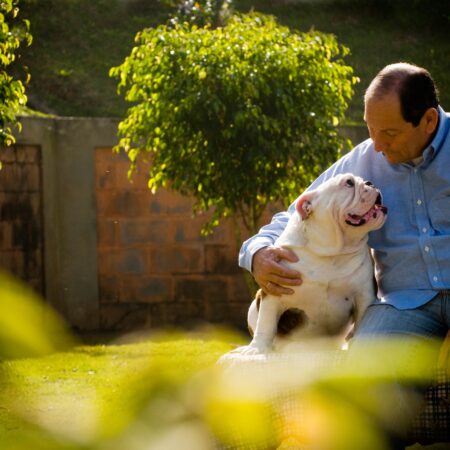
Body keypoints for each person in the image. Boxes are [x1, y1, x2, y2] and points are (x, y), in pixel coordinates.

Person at [238, 62, 450, 447]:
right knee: (365, 391)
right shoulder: (366, 160)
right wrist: (256, 253)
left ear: (429, 120)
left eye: (388, 132)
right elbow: (297, 212)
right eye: (371, 131)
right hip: (405, 305)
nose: (378, 146)